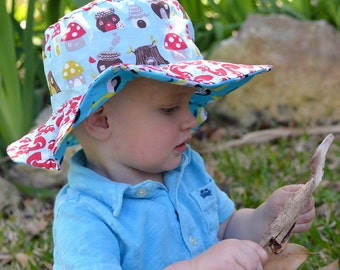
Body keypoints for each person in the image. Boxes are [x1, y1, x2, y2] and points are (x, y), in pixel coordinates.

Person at [6, 0, 315, 269]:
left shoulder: (186, 168)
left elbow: (225, 228)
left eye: (190, 103)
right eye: (170, 109)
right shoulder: (86, 215)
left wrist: (265, 217)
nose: (192, 119)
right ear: (100, 120)